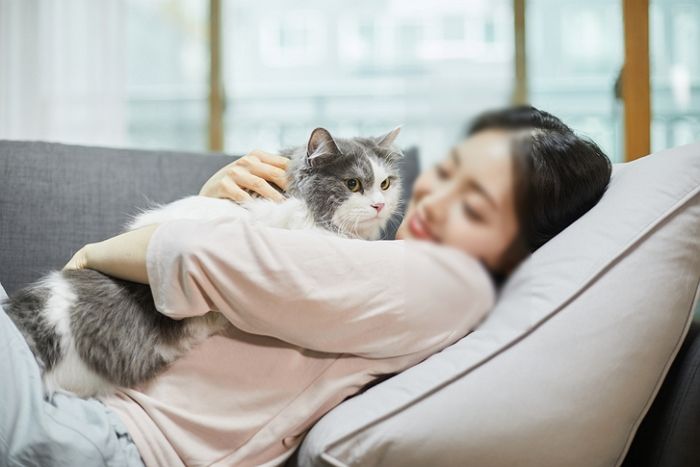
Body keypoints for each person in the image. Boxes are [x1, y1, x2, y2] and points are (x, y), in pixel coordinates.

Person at [0, 106, 612, 467]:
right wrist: (214, 202)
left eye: (474, 206)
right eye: (448, 172)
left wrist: (87, 255)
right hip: (81, 403)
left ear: (513, 243)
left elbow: (189, 253)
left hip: (105, 440)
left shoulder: (439, 280)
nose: (434, 199)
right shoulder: (388, 263)